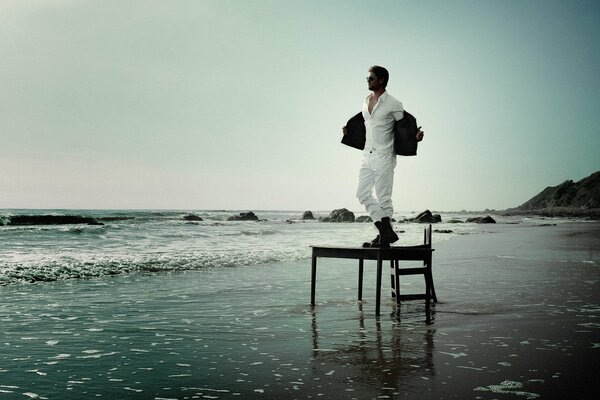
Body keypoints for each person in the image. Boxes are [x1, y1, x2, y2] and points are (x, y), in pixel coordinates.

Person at [342, 66, 424, 247]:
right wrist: (349, 131)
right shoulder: (365, 101)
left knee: (384, 198)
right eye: (367, 77)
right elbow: (364, 123)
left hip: (384, 156)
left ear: (381, 80)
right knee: (362, 194)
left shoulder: (393, 103)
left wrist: (415, 137)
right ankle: (385, 230)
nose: (368, 80)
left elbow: (405, 125)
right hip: (367, 154)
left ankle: (383, 237)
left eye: (371, 78)